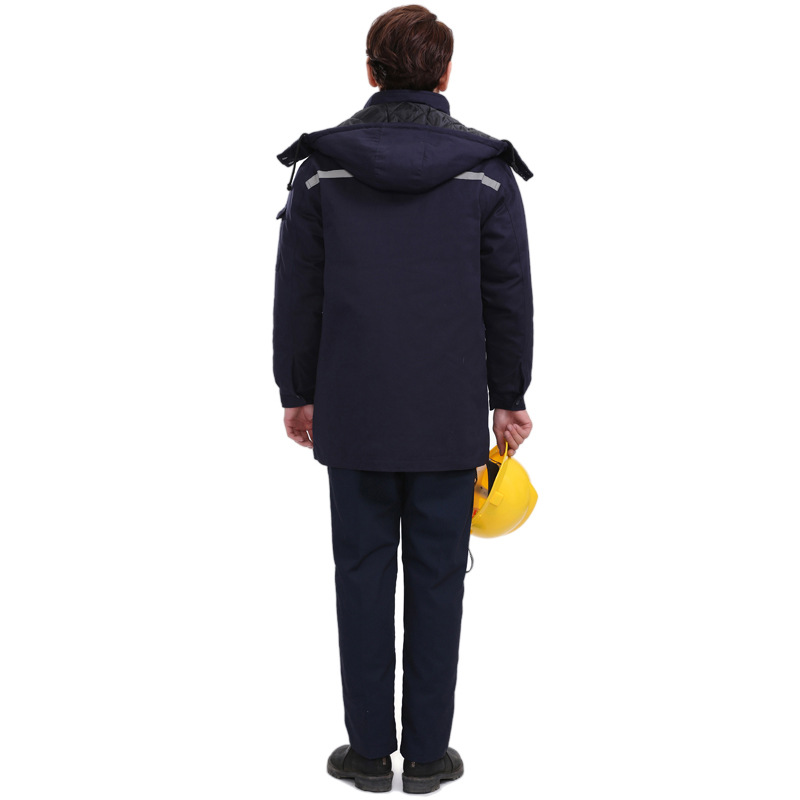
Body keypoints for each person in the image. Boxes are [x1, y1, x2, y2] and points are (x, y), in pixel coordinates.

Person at [272, 5, 533, 792]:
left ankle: (366, 755)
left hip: (352, 414)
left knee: (359, 577)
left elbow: (298, 292)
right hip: (448, 419)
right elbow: (508, 297)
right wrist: (509, 397)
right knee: (439, 581)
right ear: (445, 74)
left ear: (370, 70)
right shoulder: (486, 172)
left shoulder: (322, 168)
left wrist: (297, 392)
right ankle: (425, 758)